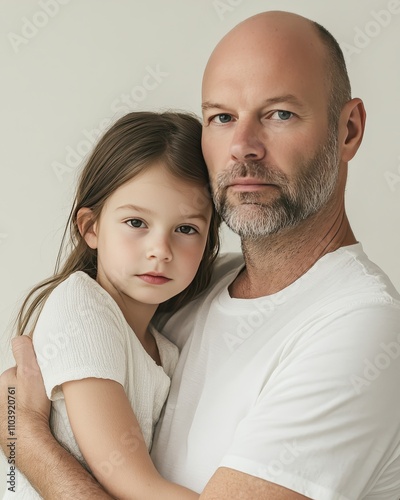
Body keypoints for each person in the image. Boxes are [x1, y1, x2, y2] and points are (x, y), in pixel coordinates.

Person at [1, 9, 400, 500]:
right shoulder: (192, 286)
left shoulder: (360, 326)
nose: (243, 147)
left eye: (280, 114)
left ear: (349, 130)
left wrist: (26, 440)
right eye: (222, 118)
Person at [0, 111, 220, 499]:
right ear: (91, 228)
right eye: (137, 223)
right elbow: (135, 485)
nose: (160, 251)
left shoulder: (164, 352)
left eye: (186, 229)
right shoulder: (82, 309)